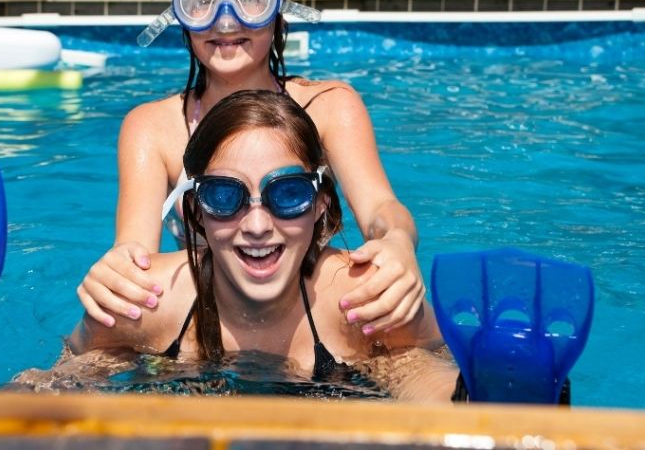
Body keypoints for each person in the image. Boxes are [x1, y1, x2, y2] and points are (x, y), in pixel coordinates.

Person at [78, 0, 424, 338]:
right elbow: (134, 256)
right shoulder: (152, 127)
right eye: (203, 0)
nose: (226, 20)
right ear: (180, 13)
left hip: (311, 322)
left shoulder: (329, 107)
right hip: (205, 333)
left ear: (277, 5)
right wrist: (113, 276)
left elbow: (380, 206)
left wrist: (397, 242)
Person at [69, 90, 456, 401]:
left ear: (320, 203)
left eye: (288, 194)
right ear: (195, 211)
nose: (257, 225)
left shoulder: (364, 301)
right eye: (224, 195)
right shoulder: (144, 302)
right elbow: (54, 387)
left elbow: (436, 386)